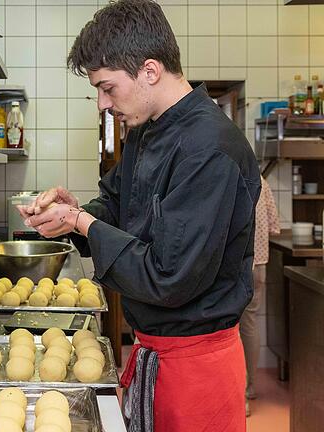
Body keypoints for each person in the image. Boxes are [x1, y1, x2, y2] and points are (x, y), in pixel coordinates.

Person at [17, 1, 261, 431]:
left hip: (196, 367)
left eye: (108, 88)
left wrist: (80, 222)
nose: (101, 103)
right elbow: (114, 205)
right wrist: (71, 212)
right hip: (154, 352)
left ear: (150, 70)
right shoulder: (150, 130)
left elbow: (169, 277)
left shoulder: (209, 149)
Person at [241, 176, 280, 416]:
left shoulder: (224, 172)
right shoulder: (261, 180)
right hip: (260, 263)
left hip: (235, 265)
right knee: (250, 325)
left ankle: (239, 394)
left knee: (230, 329)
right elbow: (275, 226)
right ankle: (251, 386)